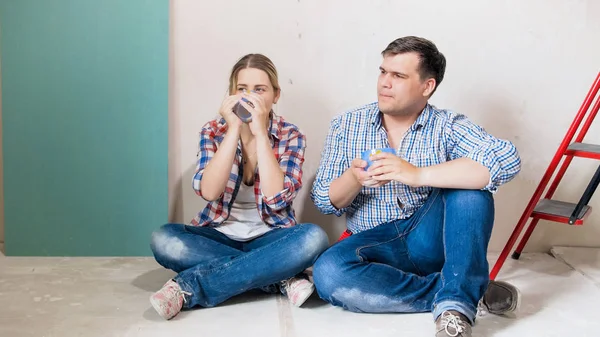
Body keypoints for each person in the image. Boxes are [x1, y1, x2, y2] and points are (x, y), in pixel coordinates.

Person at [310, 36, 522, 337]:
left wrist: (417, 174)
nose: (385, 82)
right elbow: (324, 200)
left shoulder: (446, 125)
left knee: (471, 188)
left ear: (427, 86)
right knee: (328, 272)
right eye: (383, 72)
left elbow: (506, 158)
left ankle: (456, 306)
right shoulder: (347, 124)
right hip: (376, 244)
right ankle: (461, 292)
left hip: (428, 237)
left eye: (398, 76)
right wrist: (353, 179)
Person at [149, 53, 329, 320]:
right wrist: (233, 129)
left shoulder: (291, 135)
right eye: (241, 89)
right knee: (164, 240)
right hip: (218, 234)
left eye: (259, 89)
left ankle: (189, 287)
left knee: (314, 239)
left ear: (275, 95)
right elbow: (209, 192)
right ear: (231, 94)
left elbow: (276, 199)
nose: (249, 97)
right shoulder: (213, 131)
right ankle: (277, 276)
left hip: (272, 236)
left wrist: (260, 134)